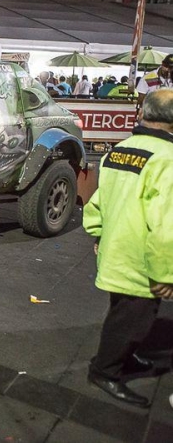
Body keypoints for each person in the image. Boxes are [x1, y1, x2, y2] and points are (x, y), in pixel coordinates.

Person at [83, 89, 173, 408]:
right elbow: (166, 226)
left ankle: (125, 358)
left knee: (120, 311)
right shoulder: (167, 160)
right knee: (133, 321)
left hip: (114, 250)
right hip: (141, 260)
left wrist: (97, 236)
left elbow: (98, 201)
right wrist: (166, 274)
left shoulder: (119, 150)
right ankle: (105, 371)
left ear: (143, 114)